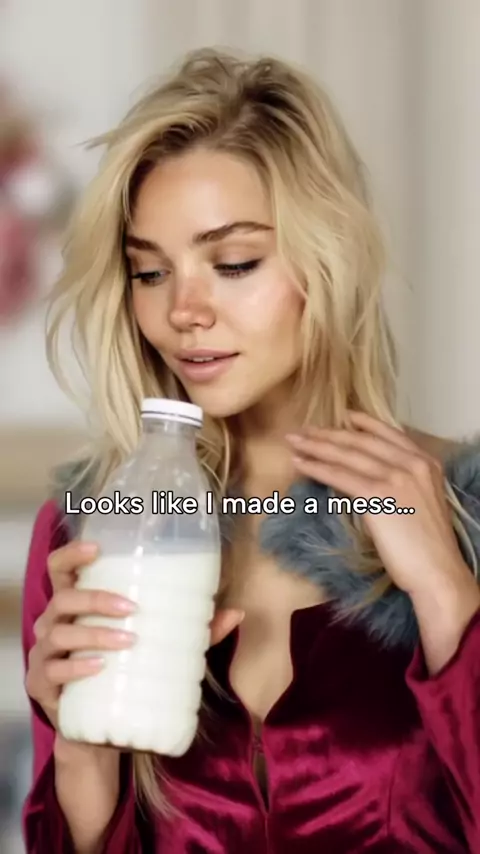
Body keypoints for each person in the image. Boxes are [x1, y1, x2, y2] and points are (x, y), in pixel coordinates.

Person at [21, 47, 480, 853]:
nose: (184, 310)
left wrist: (446, 596)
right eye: (149, 272)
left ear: (327, 258)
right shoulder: (94, 532)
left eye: (233, 263)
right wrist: (83, 753)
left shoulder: (464, 511)